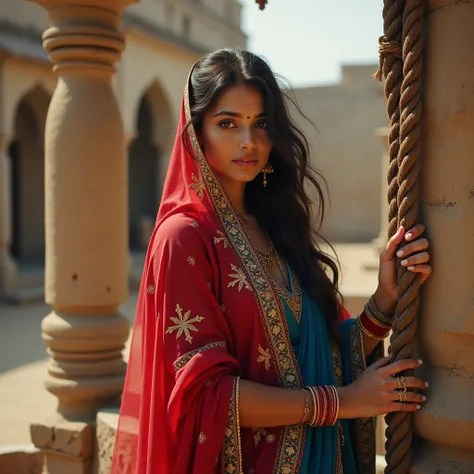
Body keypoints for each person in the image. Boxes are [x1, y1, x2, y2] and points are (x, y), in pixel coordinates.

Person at [111, 49, 432, 474]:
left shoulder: (276, 227)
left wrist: (385, 300)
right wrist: (344, 403)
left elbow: (324, 354)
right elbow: (205, 394)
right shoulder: (185, 238)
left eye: (260, 123)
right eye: (228, 123)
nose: (249, 141)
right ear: (196, 133)